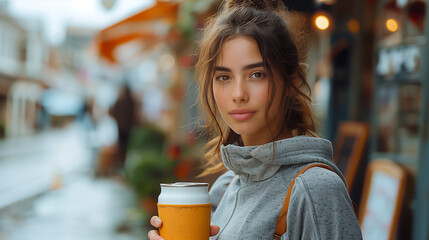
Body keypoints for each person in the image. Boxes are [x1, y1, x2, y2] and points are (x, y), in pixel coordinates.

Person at [148, 0, 362, 239]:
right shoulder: (226, 186)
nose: (238, 94)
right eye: (224, 77)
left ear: (291, 81)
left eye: (257, 74)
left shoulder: (316, 189)